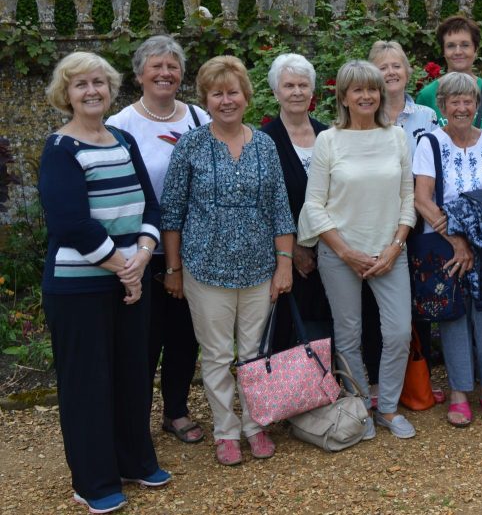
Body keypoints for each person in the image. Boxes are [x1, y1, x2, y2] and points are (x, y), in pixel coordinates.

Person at [40, 52, 169, 514]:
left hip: (131, 278)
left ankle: (135, 461)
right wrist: (124, 267)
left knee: (132, 374)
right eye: (81, 84)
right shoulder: (61, 149)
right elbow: (71, 223)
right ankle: (93, 482)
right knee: (87, 384)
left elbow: (150, 207)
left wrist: (143, 256)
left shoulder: (124, 139)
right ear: (66, 94)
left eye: (99, 82)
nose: (91, 91)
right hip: (79, 288)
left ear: (111, 88)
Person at [161, 56, 295, 466]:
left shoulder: (265, 144)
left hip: (259, 269)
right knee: (217, 355)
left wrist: (284, 263)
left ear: (246, 96)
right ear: (205, 99)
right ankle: (225, 431)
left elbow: (280, 208)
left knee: (254, 353)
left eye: (233, 92)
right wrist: (173, 269)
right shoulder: (191, 145)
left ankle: (255, 426)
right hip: (206, 269)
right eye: (216, 93)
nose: (226, 100)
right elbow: (172, 213)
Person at [298, 61, 417, 439]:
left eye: (372, 89)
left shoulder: (396, 137)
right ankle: (360, 407)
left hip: (389, 252)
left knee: (398, 332)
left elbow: (408, 198)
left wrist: (395, 247)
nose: (367, 96)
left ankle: (389, 408)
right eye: (358, 90)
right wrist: (346, 252)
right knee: (348, 335)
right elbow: (314, 205)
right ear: (344, 97)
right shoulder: (328, 140)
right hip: (340, 254)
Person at [105, 35, 209, 446]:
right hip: (140, 252)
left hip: (193, 247)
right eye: (157, 66)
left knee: (184, 335)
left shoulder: (198, 117)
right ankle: (135, 421)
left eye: (172, 66)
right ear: (139, 74)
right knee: (143, 340)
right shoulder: (121, 125)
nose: (165, 73)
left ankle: (176, 412)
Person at [413, 72, 482, 426]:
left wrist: (476, 236)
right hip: (445, 247)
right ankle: (458, 392)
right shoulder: (429, 144)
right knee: (453, 316)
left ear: (476, 105)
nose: (461, 107)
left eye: (467, 101)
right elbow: (422, 199)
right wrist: (457, 240)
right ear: (442, 107)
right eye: (453, 101)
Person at [367, 40, 440, 405]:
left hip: (419, 222)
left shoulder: (427, 116)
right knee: (375, 304)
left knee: (420, 300)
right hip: (378, 222)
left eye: (397, 65)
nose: (391, 72)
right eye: (383, 67)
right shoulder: (365, 115)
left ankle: (419, 378)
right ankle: (376, 383)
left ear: (408, 72)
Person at [260, 53, 332, 351]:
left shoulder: (329, 135)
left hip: (332, 251)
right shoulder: (263, 141)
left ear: (312, 91)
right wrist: (292, 250)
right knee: (289, 337)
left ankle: (330, 379)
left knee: (330, 332)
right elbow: (263, 204)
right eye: (289, 85)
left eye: (303, 85)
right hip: (286, 259)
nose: (297, 92)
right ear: (276, 91)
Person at [416, 15, 482, 135]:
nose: (458, 52)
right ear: (443, 51)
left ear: (475, 50)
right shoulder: (427, 95)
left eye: (465, 45)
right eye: (451, 46)